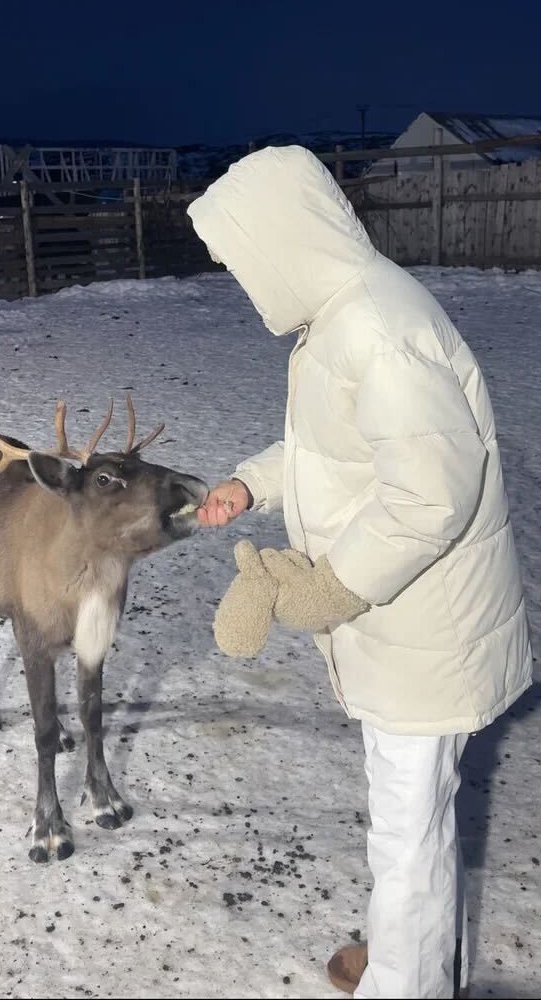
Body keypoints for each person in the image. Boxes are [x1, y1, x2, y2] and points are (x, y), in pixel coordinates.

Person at [188, 146, 532, 1000]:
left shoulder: (374, 328)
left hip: (426, 630)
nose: (240, 280)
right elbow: (327, 451)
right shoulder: (341, 317)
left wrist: (335, 586)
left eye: (240, 260)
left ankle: (400, 986)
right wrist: (249, 483)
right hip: (403, 624)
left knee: (406, 835)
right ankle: (405, 965)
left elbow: (427, 495)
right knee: (410, 826)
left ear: (280, 241)